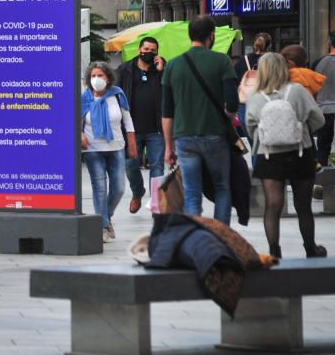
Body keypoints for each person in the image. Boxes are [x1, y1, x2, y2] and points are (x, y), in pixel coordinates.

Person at [245, 52, 327, 259]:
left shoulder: (255, 97)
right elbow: (318, 119)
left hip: (269, 156)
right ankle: (310, 248)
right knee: (303, 206)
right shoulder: (298, 91)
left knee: (272, 206)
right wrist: (302, 131)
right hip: (300, 153)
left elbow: (250, 127)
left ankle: (274, 250)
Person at [162, 16, 238, 224]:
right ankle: (221, 236)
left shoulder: (173, 65)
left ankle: (196, 239)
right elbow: (232, 104)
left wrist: (168, 147)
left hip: (184, 138)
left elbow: (167, 112)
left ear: (189, 35)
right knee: (222, 187)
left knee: (192, 191)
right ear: (211, 36)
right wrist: (226, 117)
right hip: (215, 136)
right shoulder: (222, 61)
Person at [81, 62, 136, 243]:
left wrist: (132, 144)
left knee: (119, 188)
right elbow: (75, 120)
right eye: (94, 76)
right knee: (100, 188)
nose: (97, 79)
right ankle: (103, 226)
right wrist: (80, 135)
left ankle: (107, 216)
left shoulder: (117, 95)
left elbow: (127, 121)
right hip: (93, 149)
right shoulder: (85, 98)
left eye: (101, 75)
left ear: (108, 78)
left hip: (116, 148)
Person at [115, 36, 165, 214]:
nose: (149, 54)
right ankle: (138, 192)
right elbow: (114, 94)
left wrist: (161, 71)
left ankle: (156, 202)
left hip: (156, 129)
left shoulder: (161, 70)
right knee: (130, 165)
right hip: (131, 130)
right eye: (146, 50)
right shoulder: (125, 70)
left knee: (157, 166)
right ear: (139, 50)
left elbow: (169, 92)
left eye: (153, 51)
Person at [313, 30, 335, 166]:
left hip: (322, 112)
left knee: (322, 150)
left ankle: (321, 182)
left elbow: (313, 88)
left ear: (329, 43)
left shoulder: (318, 62)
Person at [234, 32, 273, 138]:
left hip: (246, 104)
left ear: (254, 44)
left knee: (253, 143)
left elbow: (235, 81)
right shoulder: (274, 61)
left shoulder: (243, 61)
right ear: (269, 45)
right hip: (268, 103)